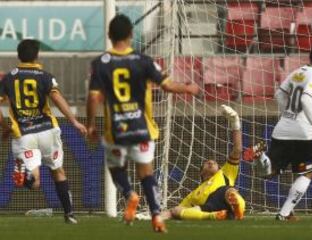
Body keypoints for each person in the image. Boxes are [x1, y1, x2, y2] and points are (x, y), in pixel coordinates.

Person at [86, 14, 199, 233]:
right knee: (146, 173)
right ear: (131, 35)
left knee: (116, 168)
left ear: (109, 36)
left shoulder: (101, 63)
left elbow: (93, 98)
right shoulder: (144, 61)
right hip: (141, 127)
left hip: (116, 130)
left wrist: (90, 125)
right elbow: (167, 86)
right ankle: (156, 215)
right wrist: (188, 88)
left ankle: (129, 195)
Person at [0, 39, 87, 224]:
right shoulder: (45, 76)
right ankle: (69, 214)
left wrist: (6, 127)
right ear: (37, 55)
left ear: (18, 56)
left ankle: (26, 173)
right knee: (58, 171)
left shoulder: (8, 78)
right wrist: (74, 121)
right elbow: (56, 97)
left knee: (36, 183)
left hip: (24, 133)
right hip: (47, 130)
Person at [243, 39, 312, 221]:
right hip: (304, 133)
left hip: (282, 128)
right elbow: (306, 99)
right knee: (307, 172)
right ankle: (284, 213)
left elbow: (279, 93)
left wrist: (287, 115)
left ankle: (262, 157)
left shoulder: (298, 72)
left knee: (270, 171)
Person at [166, 105, 245, 221]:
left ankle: (238, 210)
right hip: (207, 207)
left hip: (225, 197)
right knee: (175, 210)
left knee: (230, 192)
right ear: (201, 172)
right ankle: (214, 216)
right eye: (207, 162)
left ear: (219, 168)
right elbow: (174, 211)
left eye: (214, 162)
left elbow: (237, 149)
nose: (210, 162)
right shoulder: (193, 194)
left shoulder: (224, 173)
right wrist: (150, 216)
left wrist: (235, 122)